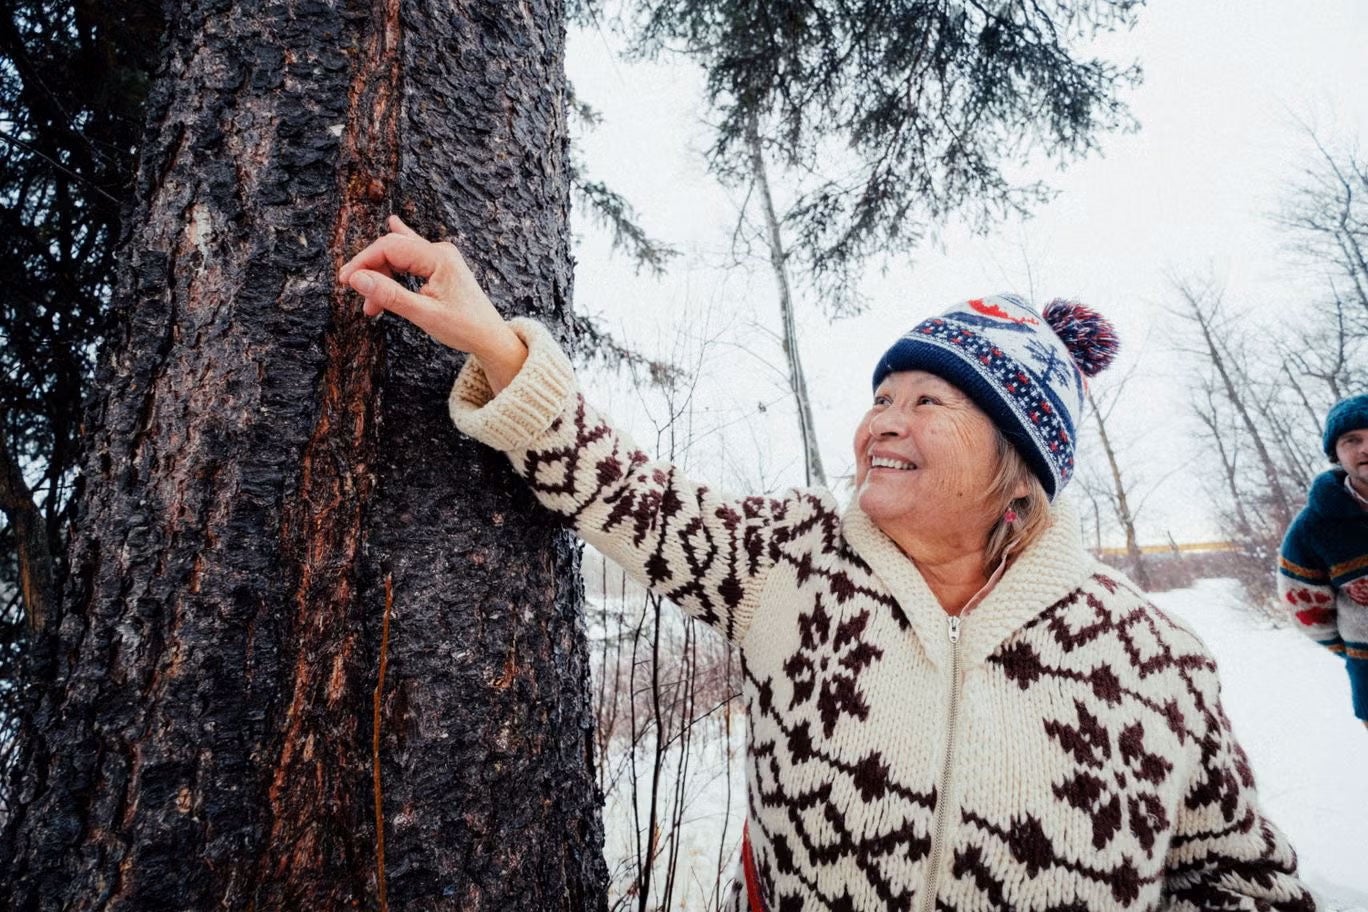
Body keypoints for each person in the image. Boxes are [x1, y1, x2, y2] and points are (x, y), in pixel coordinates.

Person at [341, 216, 1314, 912]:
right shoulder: (793, 559)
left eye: (929, 400)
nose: (883, 417)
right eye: (881, 393)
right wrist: (497, 346)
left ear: (1018, 465)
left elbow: (1246, 886)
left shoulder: (1150, 658)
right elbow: (621, 491)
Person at [1279, 393, 1368, 730]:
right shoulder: (1313, 528)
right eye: (1352, 440)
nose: (1365, 449)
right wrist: (1356, 650)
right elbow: (1307, 611)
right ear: (1336, 452)